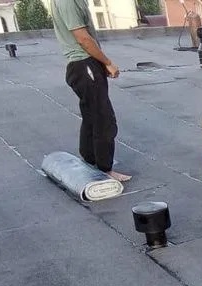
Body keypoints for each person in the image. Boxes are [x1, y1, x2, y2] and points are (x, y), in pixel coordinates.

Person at [51, 0, 131, 182]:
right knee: (104, 119)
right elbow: (83, 38)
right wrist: (107, 62)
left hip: (85, 65)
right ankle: (105, 170)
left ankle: (90, 160)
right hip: (84, 64)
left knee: (91, 116)